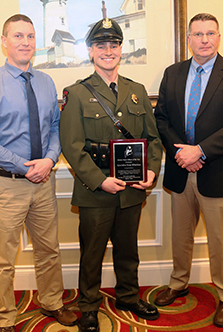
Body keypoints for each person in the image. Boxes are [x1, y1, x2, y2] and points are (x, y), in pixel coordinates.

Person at [0, 14, 78, 332]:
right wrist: (24, 167)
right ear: (4, 42)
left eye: (30, 36)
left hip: (43, 181)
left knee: (49, 249)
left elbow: (56, 127)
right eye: (18, 36)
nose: (25, 42)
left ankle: (52, 302)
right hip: (7, 185)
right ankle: (5, 318)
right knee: (4, 258)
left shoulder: (47, 83)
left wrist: (49, 160)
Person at [60, 18, 162, 332]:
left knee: (128, 249)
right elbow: (72, 146)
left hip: (132, 187)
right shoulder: (76, 94)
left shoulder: (136, 91)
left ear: (121, 50)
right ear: (90, 51)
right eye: (101, 45)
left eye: (114, 45)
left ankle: (128, 296)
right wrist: (100, 179)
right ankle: (88, 306)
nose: (108, 51)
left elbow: (153, 139)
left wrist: (151, 170)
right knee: (91, 253)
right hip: (96, 190)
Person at [154, 13, 223, 328]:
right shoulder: (173, 73)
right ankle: (178, 282)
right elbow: (162, 120)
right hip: (180, 169)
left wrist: (201, 151)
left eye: (210, 33)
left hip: (217, 170)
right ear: (189, 39)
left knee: (219, 240)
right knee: (180, 234)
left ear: (219, 37)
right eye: (198, 34)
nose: (205, 40)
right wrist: (183, 154)